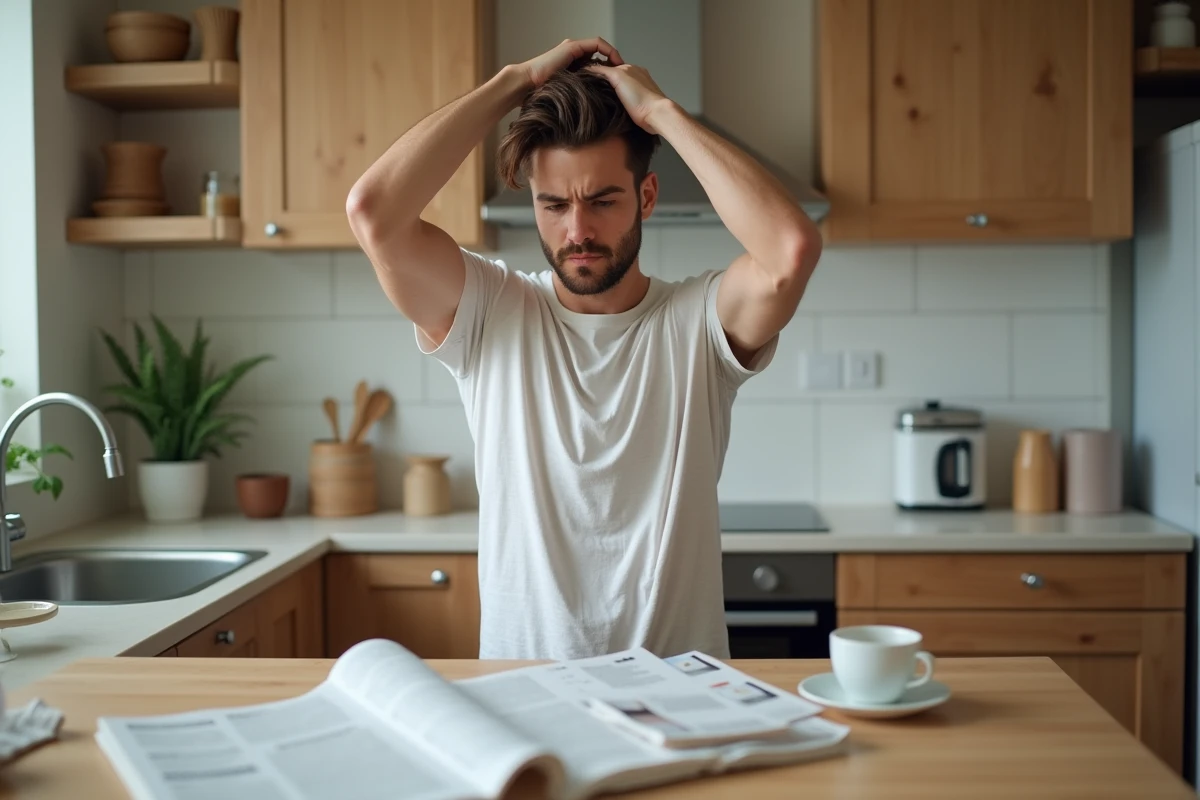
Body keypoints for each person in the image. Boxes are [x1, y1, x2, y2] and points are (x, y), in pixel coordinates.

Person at [346, 38, 822, 661]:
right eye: (554, 204)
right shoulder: (489, 311)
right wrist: (514, 82)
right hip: (528, 697)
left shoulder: (700, 322)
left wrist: (659, 112)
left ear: (645, 197)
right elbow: (373, 213)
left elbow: (790, 251)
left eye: (602, 201)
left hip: (681, 700)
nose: (578, 231)